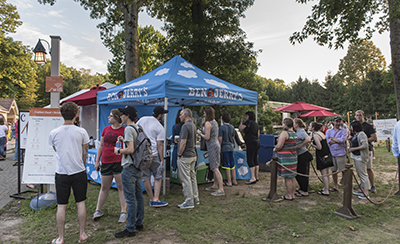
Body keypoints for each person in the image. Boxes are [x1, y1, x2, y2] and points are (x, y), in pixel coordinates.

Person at [48, 102, 90, 244]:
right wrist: (82, 163)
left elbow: (56, 149)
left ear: (62, 114)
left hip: (61, 172)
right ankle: (82, 234)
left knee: (62, 205)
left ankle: (60, 238)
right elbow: (85, 151)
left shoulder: (54, 133)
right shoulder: (82, 132)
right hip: (79, 171)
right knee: (81, 202)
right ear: (76, 114)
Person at [114, 106, 144, 238]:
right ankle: (139, 223)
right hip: (138, 166)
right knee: (139, 196)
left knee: (130, 199)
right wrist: (123, 140)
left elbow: (130, 149)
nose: (120, 117)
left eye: (122, 114)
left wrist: (118, 150)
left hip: (129, 167)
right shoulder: (138, 127)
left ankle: (130, 228)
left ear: (127, 115)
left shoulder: (128, 129)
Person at [93, 109, 127, 222]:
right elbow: (101, 146)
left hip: (118, 161)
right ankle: (98, 210)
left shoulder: (124, 130)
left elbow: (128, 145)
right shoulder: (106, 129)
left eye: (111, 116)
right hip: (106, 162)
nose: (108, 117)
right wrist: (97, 160)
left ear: (117, 118)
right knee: (104, 187)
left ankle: (123, 211)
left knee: (121, 187)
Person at [136, 106, 169, 207]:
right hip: (153, 153)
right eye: (163, 114)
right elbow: (159, 145)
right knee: (158, 176)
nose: (163, 116)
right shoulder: (159, 127)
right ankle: (156, 198)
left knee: (145, 177)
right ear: (159, 115)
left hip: (142, 154)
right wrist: (162, 159)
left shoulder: (142, 119)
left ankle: (150, 198)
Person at [197, 107, 224, 196]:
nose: (203, 114)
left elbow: (207, 137)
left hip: (212, 146)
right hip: (216, 145)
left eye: (204, 113)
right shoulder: (214, 122)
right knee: (215, 166)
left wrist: (199, 133)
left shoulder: (208, 123)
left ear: (207, 114)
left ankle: (221, 189)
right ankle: (215, 185)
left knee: (214, 168)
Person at [177, 108, 199, 209]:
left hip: (185, 156)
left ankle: (189, 201)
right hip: (193, 155)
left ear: (185, 114)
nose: (179, 116)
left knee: (186, 179)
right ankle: (195, 198)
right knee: (192, 178)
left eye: (181, 114)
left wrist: (179, 154)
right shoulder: (193, 125)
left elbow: (183, 142)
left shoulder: (185, 126)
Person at [274, 118, 298, 200]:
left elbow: (279, 146)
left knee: (287, 177)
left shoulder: (285, 133)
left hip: (286, 158)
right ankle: (293, 194)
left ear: (285, 124)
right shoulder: (294, 133)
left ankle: (289, 195)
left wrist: (275, 149)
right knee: (293, 176)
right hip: (293, 157)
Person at [354, 110, 377, 193]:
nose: (358, 117)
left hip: (367, 150)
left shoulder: (368, 126)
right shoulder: (354, 125)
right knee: (360, 170)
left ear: (363, 116)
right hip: (357, 151)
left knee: (368, 168)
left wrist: (363, 140)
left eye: (360, 115)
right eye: (357, 115)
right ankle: (363, 185)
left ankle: (373, 185)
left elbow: (374, 137)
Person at [325, 116, 347, 192]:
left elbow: (342, 140)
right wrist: (336, 140)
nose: (338, 123)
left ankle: (345, 185)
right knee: (333, 170)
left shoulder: (344, 131)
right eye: (336, 121)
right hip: (332, 153)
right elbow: (328, 141)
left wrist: (332, 139)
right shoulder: (329, 131)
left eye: (339, 121)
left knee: (343, 170)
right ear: (333, 122)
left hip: (340, 153)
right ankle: (335, 186)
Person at [348, 121, 370, 199]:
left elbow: (364, 145)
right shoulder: (356, 134)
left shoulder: (361, 134)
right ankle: (362, 189)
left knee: (363, 174)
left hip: (360, 157)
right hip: (356, 156)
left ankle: (366, 192)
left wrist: (353, 149)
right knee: (359, 174)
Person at [239, 111, 260, 185]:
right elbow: (258, 134)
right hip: (257, 142)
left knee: (250, 159)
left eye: (246, 116)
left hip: (250, 142)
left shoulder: (248, 122)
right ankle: (256, 176)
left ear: (248, 116)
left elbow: (240, 129)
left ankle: (252, 177)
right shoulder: (256, 124)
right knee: (255, 159)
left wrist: (241, 122)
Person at [309, 122, 330, 196]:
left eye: (310, 126)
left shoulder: (316, 135)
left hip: (322, 155)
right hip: (327, 154)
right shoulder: (321, 133)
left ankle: (326, 190)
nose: (309, 127)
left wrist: (312, 145)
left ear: (313, 128)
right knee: (326, 173)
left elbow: (319, 147)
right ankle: (326, 188)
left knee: (324, 174)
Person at [293, 118, 312, 197]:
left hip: (302, 154)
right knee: (299, 173)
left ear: (297, 124)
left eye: (294, 123)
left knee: (302, 173)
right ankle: (302, 188)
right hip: (300, 154)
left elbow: (308, 139)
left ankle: (304, 190)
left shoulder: (301, 131)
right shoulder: (298, 131)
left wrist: (300, 146)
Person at [218, 113, 238, 187]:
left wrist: (219, 148)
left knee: (227, 165)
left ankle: (229, 181)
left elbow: (220, 139)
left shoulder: (221, 128)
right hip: (231, 146)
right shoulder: (232, 127)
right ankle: (234, 180)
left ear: (222, 120)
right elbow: (233, 137)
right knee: (232, 164)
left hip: (224, 148)